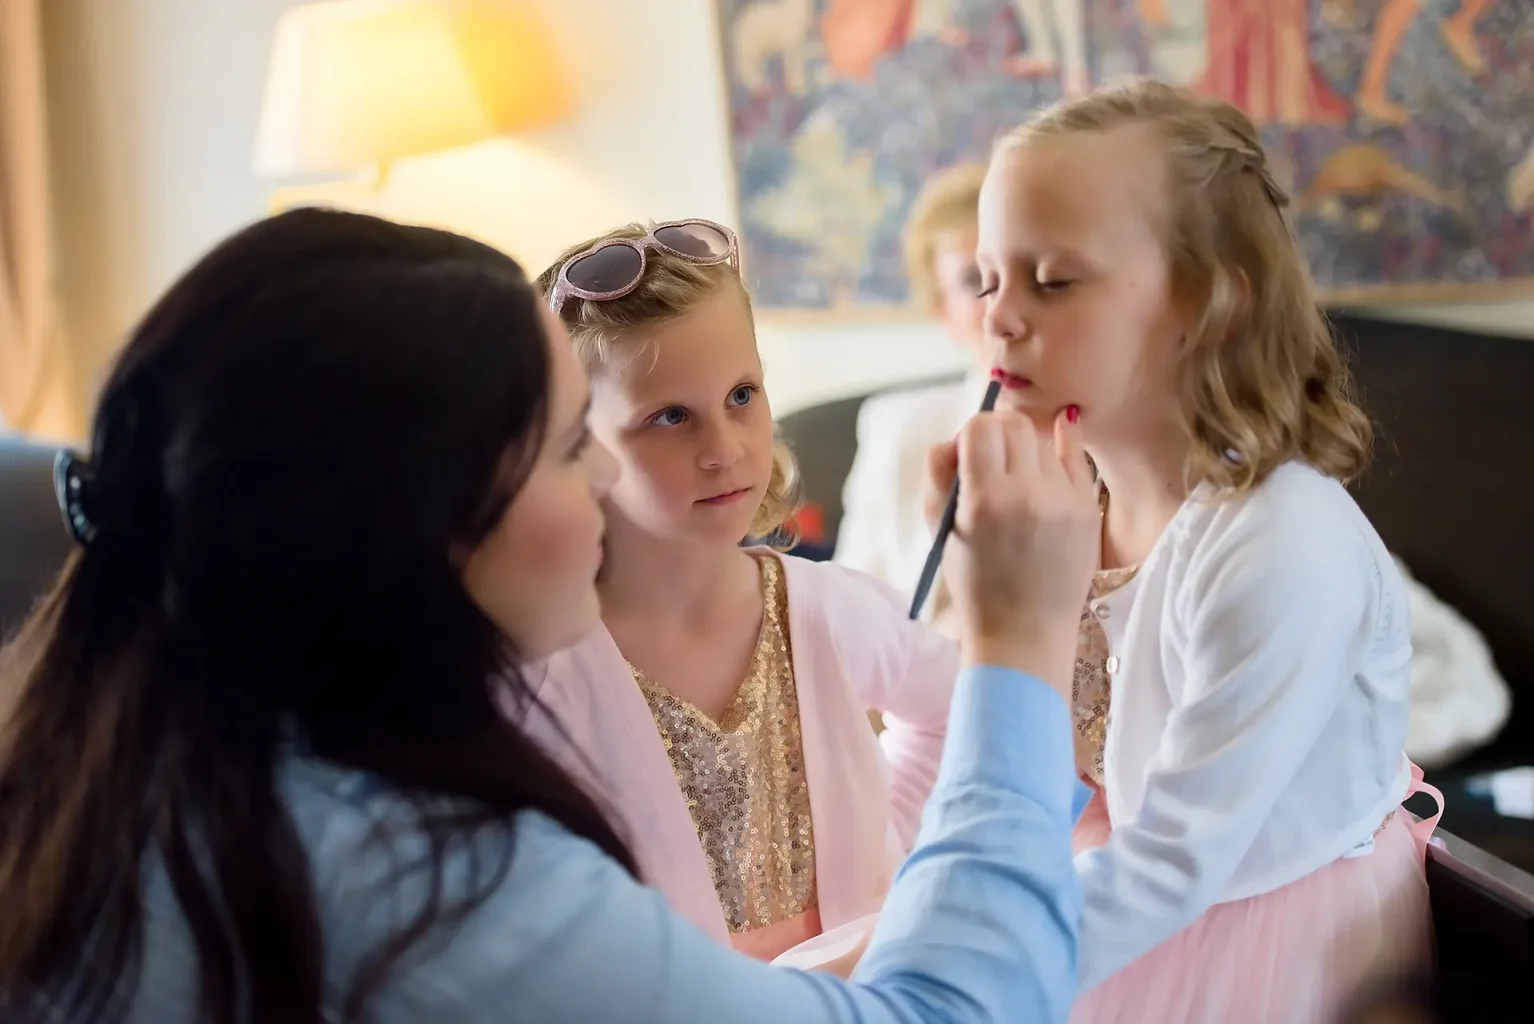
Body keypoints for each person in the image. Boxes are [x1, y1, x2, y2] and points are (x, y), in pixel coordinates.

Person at [0, 207, 1100, 1023]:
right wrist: (1020, 640)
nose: (606, 490)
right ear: (436, 521)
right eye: (580, 444)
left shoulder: (135, 752)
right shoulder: (424, 873)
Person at [973, 79, 1441, 1022]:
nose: (1000, 317)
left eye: (1053, 280)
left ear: (1215, 300)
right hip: (1111, 898)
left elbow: (1174, 859)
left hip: (1266, 945)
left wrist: (949, 977)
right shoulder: (1064, 497)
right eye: (989, 278)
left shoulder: (1280, 541)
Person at [526, 220, 964, 965]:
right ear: (575, 443)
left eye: (741, 395)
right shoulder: (546, 668)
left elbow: (959, 712)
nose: (724, 449)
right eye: (668, 418)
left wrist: (888, 835)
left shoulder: (829, 611)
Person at [835, 162, 991, 638]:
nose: (1002, 299)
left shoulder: (1106, 435)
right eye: (973, 280)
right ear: (941, 310)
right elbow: (848, 622)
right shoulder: (898, 427)